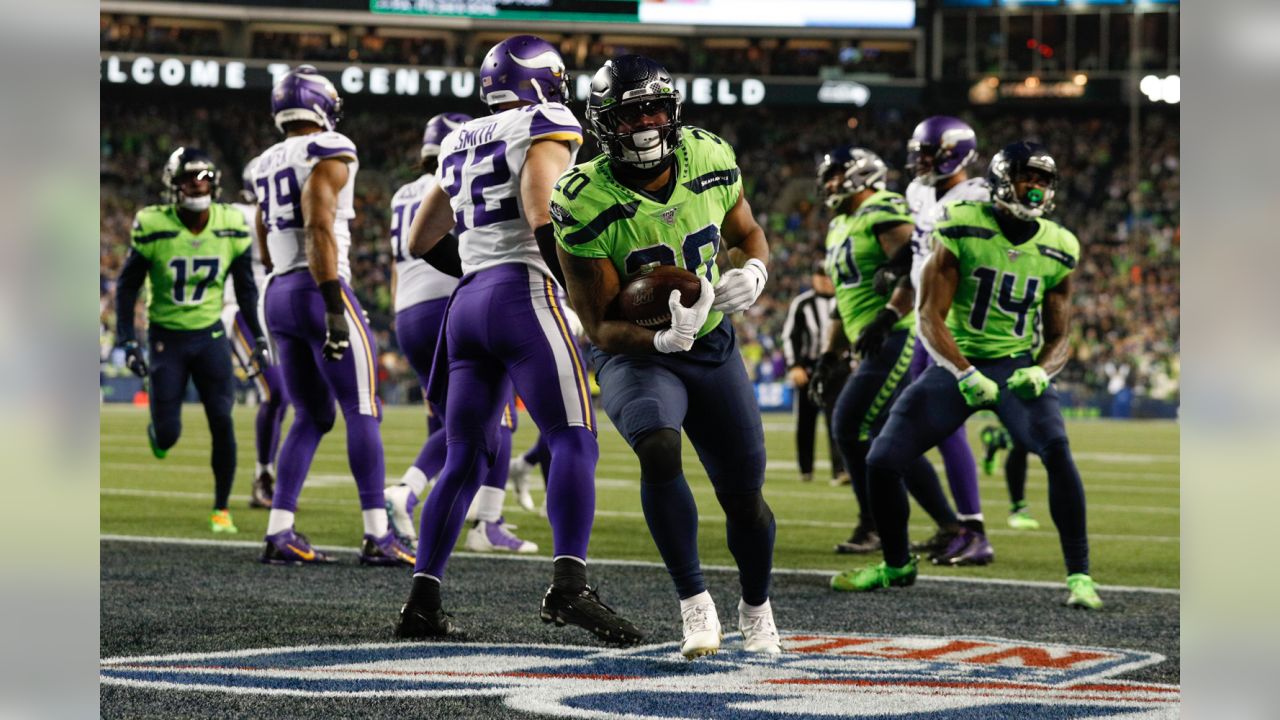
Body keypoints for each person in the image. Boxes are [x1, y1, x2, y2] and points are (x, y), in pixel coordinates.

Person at [395, 35, 642, 645]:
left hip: (468, 304)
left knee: (463, 458)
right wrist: (583, 298)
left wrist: (482, 264)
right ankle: (570, 587)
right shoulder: (546, 119)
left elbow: (422, 238)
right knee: (573, 439)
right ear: (543, 80)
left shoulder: (457, 138)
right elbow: (540, 210)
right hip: (524, 296)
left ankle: (422, 603)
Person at [555, 55, 781, 660]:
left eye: (657, 108)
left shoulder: (708, 155)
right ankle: (694, 602)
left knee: (745, 498)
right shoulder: (580, 197)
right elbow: (599, 323)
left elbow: (747, 232)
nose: (649, 123)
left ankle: (756, 608)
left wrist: (754, 270)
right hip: (638, 353)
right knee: (658, 444)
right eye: (632, 113)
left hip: (711, 343)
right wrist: (658, 339)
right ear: (606, 123)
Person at [835, 142, 1102, 610]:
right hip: (957, 363)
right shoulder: (961, 222)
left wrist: (1042, 370)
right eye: (1029, 178)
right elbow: (928, 315)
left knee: (1057, 452)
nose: (1036, 188)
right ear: (1003, 179)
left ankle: (1080, 576)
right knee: (881, 459)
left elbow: (1060, 334)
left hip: (1015, 366)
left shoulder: (1059, 245)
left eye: (1044, 181)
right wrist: (963, 371)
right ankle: (896, 565)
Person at [252, 65, 415, 567]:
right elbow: (318, 224)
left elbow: (262, 232)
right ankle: (377, 533)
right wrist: (330, 304)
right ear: (323, 105)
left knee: (311, 414)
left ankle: (279, 529)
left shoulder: (261, 163)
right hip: (317, 286)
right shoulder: (329, 147)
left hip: (277, 289)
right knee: (363, 407)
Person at [380, 112, 537, 555]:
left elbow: (403, 256)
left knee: (451, 423)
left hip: (408, 312)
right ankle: (479, 519)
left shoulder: (400, 194)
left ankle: (433, 505)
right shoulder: (463, 173)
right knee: (496, 418)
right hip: (453, 303)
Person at [809, 147, 959, 561]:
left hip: (898, 332)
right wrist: (827, 355)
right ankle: (951, 526)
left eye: (838, 174)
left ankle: (874, 523)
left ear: (862, 174)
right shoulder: (840, 224)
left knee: (848, 424)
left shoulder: (883, 207)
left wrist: (890, 314)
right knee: (890, 439)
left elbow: (917, 265)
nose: (830, 184)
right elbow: (842, 300)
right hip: (869, 338)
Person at [115, 147, 266, 534]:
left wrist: (259, 337)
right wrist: (129, 340)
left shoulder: (231, 222)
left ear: (214, 183)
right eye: (188, 179)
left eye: (203, 178)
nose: (196, 185)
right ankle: (158, 434)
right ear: (173, 185)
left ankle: (221, 508)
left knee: (222, 420)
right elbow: (127, 286)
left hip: (210, 333)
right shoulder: (152, 223)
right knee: (168, 433)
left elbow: (246, 290)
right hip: (167, 337)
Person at [899, 116, 994, 565]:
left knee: (942, 422)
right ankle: (955, 525)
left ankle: (972, 529)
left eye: (928, 152)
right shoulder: (919, 192)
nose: (919, 160)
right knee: (922, 423)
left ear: (953, 154)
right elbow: (917, 247)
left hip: (950, 320)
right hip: (923, 320)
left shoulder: (976, 197)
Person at [223, 161, 287, 509]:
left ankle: (267, 475)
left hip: (273, 309)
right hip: (241, 310)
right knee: (275, 391)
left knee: (286, 396)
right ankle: (264, 475)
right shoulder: (238, 214)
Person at [781, 265, 845, 484]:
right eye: (821, 276)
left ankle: (840, 470)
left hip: (838, 368)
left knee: (837, 418)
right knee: (805, 422)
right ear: (814, 278)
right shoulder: (802, 303)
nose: (826, 281)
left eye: (829, 276)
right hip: (808, 368)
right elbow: (790, 336)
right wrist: (794, 366)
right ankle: (806, 469)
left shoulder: (844, 300)